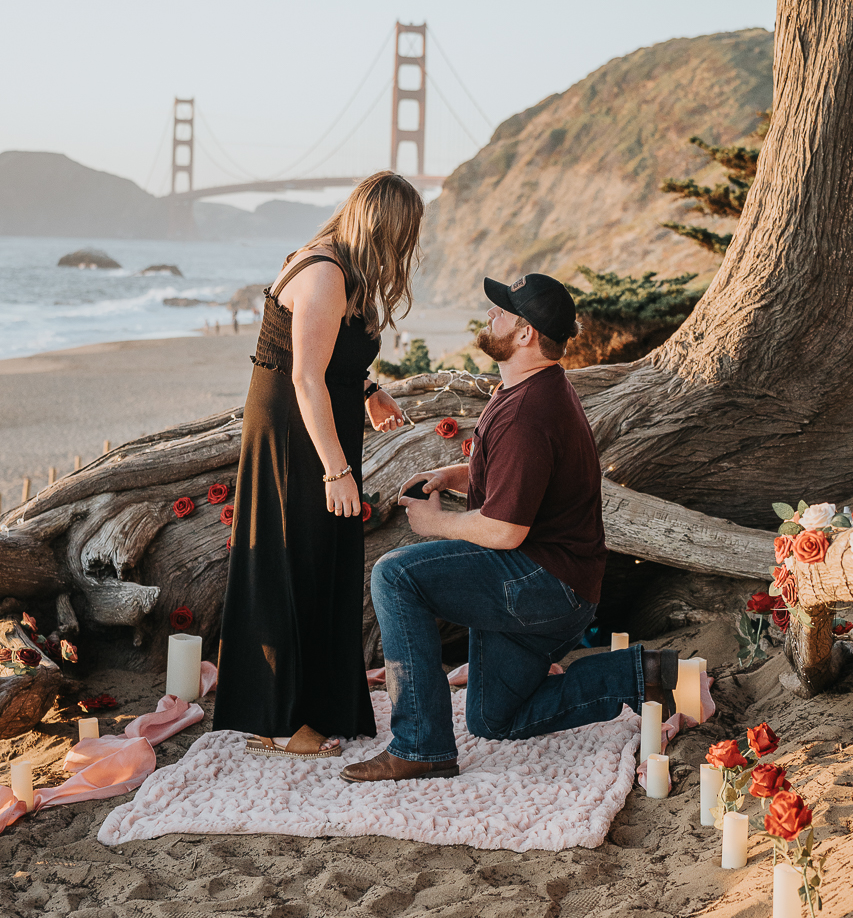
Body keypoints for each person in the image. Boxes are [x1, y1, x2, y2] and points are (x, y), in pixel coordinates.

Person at [341, 271, 677, 783]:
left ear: (525, 334)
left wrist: (435, 523)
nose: (490, 315)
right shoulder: (526, 388)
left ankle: (420, 746)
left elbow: (505, 531)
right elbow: (513, 477)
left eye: (502, 311)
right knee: (495, 718)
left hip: (544, 584)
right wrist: (449, 476)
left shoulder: (530, 412)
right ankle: (640, 674)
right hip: (554, 580)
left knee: (395, 576)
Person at [213, 171, 424, 758]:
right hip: (294, 434)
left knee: (316, 557)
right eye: (403, 236)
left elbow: (328, 358)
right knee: (298, 561)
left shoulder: (332, 264)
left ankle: (299, 709)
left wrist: (369, 389)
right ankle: (289, 723)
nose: (405, 251)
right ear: (384, 231)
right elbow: (305, 377)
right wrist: (336, 469)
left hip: (310, 421)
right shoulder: (327, 273)